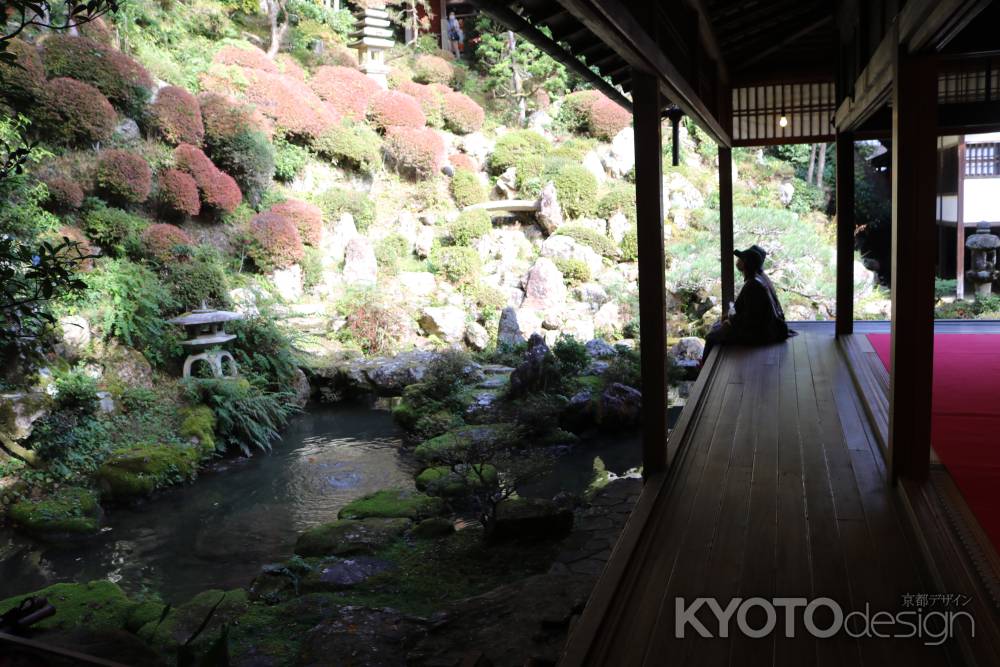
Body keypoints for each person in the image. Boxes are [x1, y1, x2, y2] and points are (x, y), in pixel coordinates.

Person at [701, 244, 793, 363]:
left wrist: (730, 322)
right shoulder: (756, 280)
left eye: (740, 258)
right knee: (717, 327)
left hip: (760, 333)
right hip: (766, 329)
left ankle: (702, 370)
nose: (737, 260)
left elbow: (751, 318)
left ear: (745, 264)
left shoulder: (753, 285)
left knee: (711, 338)